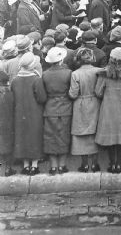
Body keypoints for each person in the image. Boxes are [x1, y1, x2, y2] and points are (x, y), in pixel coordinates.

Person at [94, 47, 121, 173]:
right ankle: (120, 164)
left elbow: (98, 92)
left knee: (110, 137)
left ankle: (112, 164)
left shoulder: (104, 73)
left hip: (108, 109)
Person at [12, 51, 46, 175]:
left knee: (22, 136)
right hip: (35, 112)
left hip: (19, 113)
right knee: (35, 136)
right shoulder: (36, 79)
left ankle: (25, 165)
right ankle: (34, 165)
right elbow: (42, 98)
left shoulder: (15, 80)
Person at [68, 48, 102, 172]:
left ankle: (84, 164)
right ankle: (95, 164)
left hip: (80, 104)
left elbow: (73, 94)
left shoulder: (75, 74)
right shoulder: (99, 71)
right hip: (95, 103)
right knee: (95, 132)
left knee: (81, 134)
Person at [41, 46, 72, 175]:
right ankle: (62, 165)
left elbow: (42, 95)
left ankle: (53, 166)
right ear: (61, 60)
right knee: (64, 135)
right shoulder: (68, 73)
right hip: (65, 107)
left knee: (50, 136)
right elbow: (72, 91)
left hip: (50, 108)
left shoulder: (45, 74)